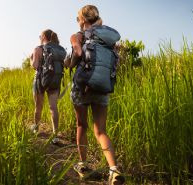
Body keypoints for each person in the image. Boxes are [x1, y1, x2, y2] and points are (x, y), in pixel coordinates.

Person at [64, 5, 125, 185]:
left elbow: (77, 52)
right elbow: (116, 61)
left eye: (78, 19)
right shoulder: (108, 38)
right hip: (102, 86)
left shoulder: (78, 35)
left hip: (82, 86)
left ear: (82, 19)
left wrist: (69, 63)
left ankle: (83, 165)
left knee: (81, 125)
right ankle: (114, 170)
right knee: (101, 131)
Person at [30, 29, 66, 144]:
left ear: (44, 36)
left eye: (40, 36)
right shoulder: (58, 49)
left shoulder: (38, 49)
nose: (39, 37)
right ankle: (55, 135)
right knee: (53, 107)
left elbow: (35, 65)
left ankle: (36, 127)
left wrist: (31, 59)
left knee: (38, 106)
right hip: (54, 80)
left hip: (40, 80)